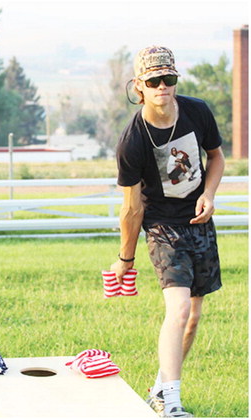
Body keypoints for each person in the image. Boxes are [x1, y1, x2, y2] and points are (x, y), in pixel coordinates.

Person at [111, 46, 224, 418]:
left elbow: (216, 156)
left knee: (192, 317)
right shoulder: (133, 140)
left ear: (176, 80)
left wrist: (208, 194)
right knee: (177, 310)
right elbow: (131, 207)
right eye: (154, 81)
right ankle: (173, 405)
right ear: (139, 86)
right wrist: (125, 258)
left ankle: (160, 390)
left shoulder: (197, 111)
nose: (163, 86)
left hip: (198, 221)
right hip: (162, 226)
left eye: (169, 79)